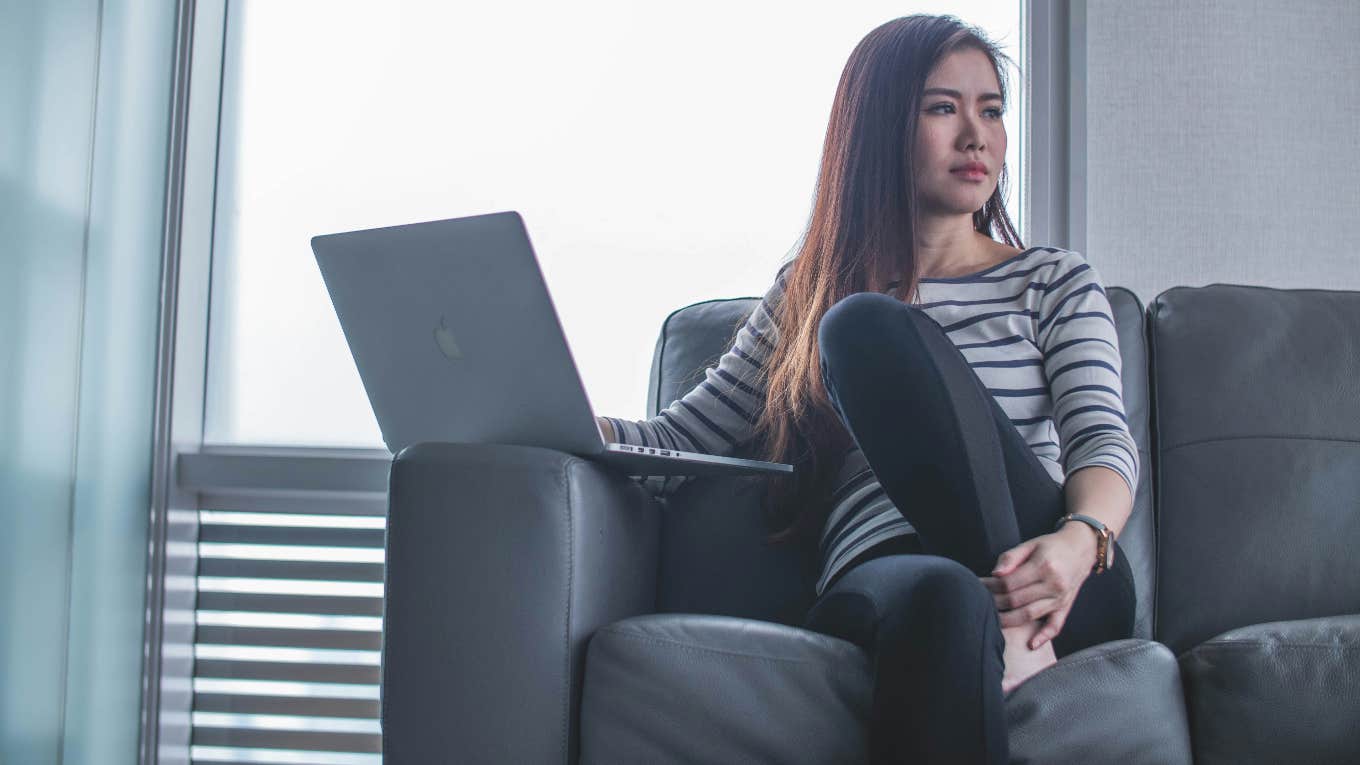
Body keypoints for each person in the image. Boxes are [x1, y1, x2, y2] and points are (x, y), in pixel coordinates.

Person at [596, 13, 1137, 764]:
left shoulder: (1053, 281)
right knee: (945, 585)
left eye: (991, 110)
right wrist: (562, 420)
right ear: (880, 126)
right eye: (943, 108)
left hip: (1064, 577)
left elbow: (1102, 440)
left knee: (865, 329)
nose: (976, 136)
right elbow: (680, 442)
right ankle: (995, 628)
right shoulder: (809, 295)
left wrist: (1085, 540)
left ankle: (1011, 624)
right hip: (889, 573)